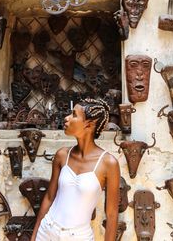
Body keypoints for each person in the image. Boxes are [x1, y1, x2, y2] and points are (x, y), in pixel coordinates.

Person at [31, 98, 120, 241]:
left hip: (79, 237)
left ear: (89, 125)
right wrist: (35, 235)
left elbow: (112, 215)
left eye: (74, 115)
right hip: (47, 231)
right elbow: (49, 198)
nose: (67, 118)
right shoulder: (62, 155)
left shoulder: (108, 163)